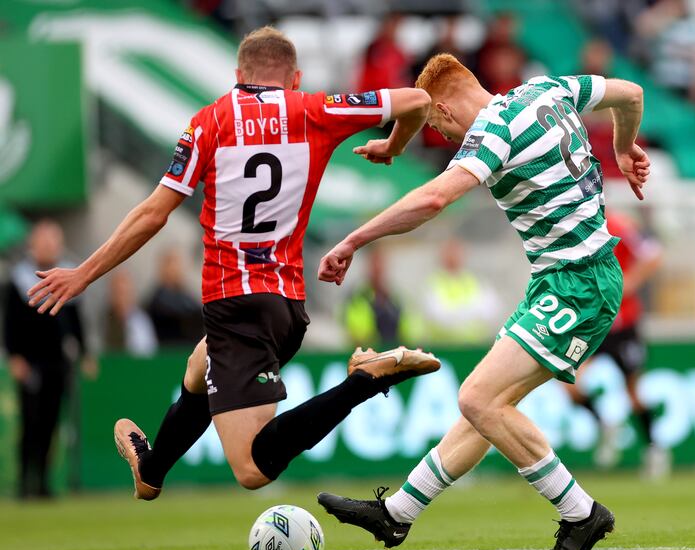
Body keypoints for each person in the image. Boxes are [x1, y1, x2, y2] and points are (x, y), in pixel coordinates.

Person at [25, 26, 441, 499]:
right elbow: (417, 101)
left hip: (234, 302)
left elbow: (152, 214)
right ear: (295, 78)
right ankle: (152, 470)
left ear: (237, 74)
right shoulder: (316, 109)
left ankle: (364, 382)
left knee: (251, 469)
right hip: (287, 307)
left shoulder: (209, 122)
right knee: (196, 371)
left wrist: (83, 273)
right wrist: (394, 145)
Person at [317, 53, 650, 550]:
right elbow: (631, 93)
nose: (448, 140)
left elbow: (432, 201)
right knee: (483, 409)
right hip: (564, 281)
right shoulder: (547, 88)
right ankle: (398, 514)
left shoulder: (491, 132)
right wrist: (624, 148)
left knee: (478, 399)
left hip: (577, 284)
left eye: (439, 129)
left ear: (445, 109)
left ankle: (581, 513)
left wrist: (354, 240)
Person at [563, 210, 666, 477]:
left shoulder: (617, 225)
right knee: (568, 382)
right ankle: (604, 426)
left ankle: (654, 449)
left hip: (623, 325)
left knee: (632, 393)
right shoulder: (571, 226)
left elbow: (653, 254)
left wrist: (629, 282)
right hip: (592, 324)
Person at [3, 220, 92, 499]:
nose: (50, 246)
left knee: (50, 423)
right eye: (44, 241)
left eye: (54, 241)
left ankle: (42, 482)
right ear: (33, 244)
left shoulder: (67, 277)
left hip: (57, 362)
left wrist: (85, 352)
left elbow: (76, 322)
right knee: (30, 421)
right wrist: (14, 356)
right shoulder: (18, 279)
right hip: (30, 362)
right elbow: (10, 324)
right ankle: (23, 482)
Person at [422, 238, 499, 345]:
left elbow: (490, 311)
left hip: (474, 347)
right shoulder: (434, 283)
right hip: (444, 348)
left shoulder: (474, 280)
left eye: (456, 252)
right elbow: (438, 316)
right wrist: (470, 311)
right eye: (449, 253)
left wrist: (457, 312)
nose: (454, 257)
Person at [145, 249, 203, 348]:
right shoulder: (157, 299)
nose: (176, 269)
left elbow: (198, 311)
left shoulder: (185, 295)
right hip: (166, 353)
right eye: (172, 264)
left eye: (178, 264)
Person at [104, 269, 158, 357]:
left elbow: (148, 351)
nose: (122, 297)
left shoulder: (141, 320)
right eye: (118, 292)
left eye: (125, 292)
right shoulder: (104, 321)